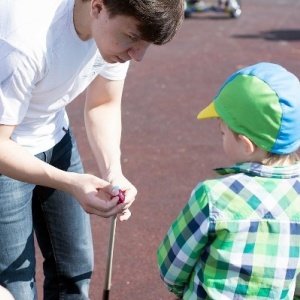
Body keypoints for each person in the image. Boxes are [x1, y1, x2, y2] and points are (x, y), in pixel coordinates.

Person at [0, 0, 184, 299]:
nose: (137, 56)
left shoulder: (111, 35)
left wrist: (114, 173)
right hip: (6, 149)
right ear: (97, 8)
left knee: (74, 270)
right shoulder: (25, 40)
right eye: (133, 39)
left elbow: (103, 104)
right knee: (14, 287)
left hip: (53, 134)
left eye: (147, 45)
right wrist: (70, 182)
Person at [157, 62, 300, 299]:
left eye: (223, 133)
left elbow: (171, 267)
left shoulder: (213, 197)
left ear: (246, 145)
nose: (221, 138)